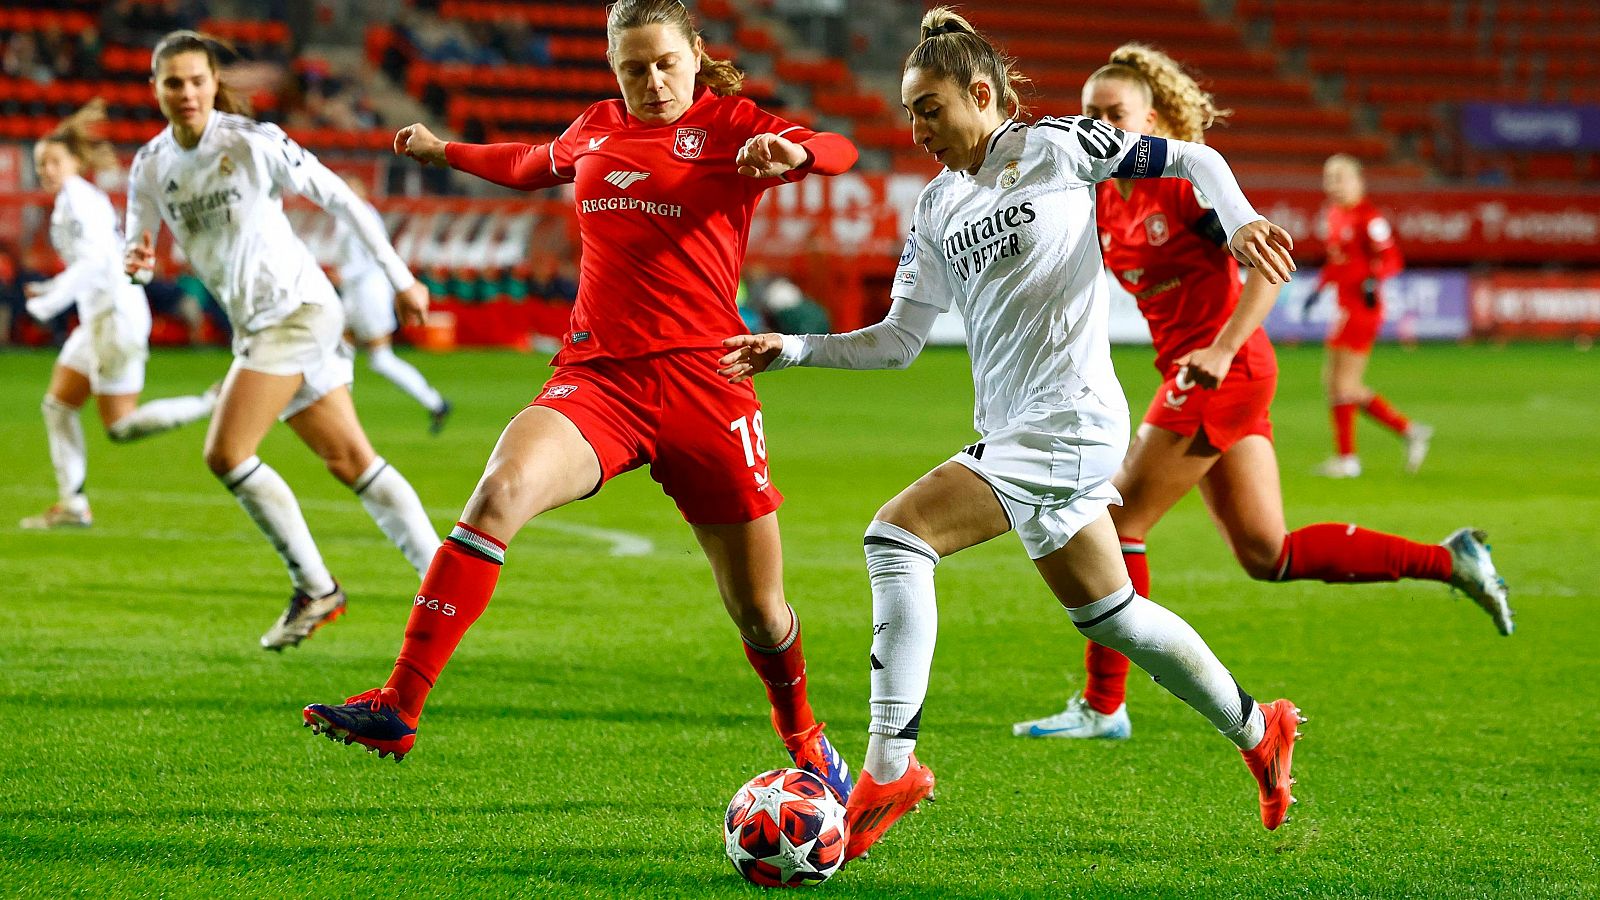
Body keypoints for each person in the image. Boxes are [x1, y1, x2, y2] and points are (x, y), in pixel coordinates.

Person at [719, 8, 1305, 857]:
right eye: (909, 111)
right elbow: (898, 341)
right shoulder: (936, 205)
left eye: (929, 108)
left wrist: (1241, 217)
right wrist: (795, 348)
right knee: (1115, 617)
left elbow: (1194, 156)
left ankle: (889, 768)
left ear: (981, 93)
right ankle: (1261, 729)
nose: (915, 128)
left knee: (896, 537)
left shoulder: (1058, 147)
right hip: (1021, 429)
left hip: (1071, 421)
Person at [300, 0, 861, 807]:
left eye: (666, 61)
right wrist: (440, 149)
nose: (653, 80)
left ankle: (807, 739)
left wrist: (795, 151)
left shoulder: (735, 124)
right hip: (599, 381)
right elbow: (528, 163)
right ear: (613, 68)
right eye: (633, 67)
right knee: (498, 492)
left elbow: (833, 147)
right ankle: (399, 703)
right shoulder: (595, 127)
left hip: (709, 388)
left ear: (697, 54)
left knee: (760, 610)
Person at [1008, 46, 1514, 744]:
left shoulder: (1180, 183)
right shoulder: (1099, 198)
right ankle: (1452, 560)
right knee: (1265, 552)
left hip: (1227, 368)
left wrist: (1218, 349)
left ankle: (1103, 706)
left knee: (1117, 521)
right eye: (1089, 113)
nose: (1099, 125)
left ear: (1147, 121)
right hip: (1201, 375)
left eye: (1114, 113)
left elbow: (1270, 267)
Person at [124, 30, 441, 650]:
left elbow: (343, 200)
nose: (187, 93)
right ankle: (444, 580)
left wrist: (402, 279)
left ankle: (317, 588)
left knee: (226, 452)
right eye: (174, 83)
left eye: (197, 80)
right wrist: (133, 264)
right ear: (156, 89)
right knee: (351, 459)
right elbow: (136, 254)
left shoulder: (252, 143)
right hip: (259, 325)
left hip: (298, 311)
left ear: (215, 83)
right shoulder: (151, 166)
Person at [20, 99, 218, 530]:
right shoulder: (75, 199)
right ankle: (72, 504)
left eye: (54, 160)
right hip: (100, 319)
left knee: (121, 425)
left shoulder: (77, 201)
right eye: (40, 163)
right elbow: (97, 261)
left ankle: (209, 403)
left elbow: (95, 264)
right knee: (57, 405)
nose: (46, 169)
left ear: (75, 161)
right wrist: (52, 288)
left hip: (115, 317)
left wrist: (48, 303)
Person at [1312, 153, 1429, 478]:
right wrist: (1318, 288)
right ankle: (1405, 433)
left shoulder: (1369, 218)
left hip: (1363, 309)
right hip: (1343, 306)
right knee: (1335, 382)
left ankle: (1351, 458)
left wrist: (1372, 279)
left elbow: (1392, 259)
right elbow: (1337, 261)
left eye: (1339, 178)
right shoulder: (1334, 214)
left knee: (1344, 384)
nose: (1332, 185)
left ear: (1358, 181)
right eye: (1328, 178)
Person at [331, 173, 453, 434]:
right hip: (357, 294)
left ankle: (435, 402)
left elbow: (366, 260)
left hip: (367, 293)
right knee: (338, 347)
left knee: (380, 359)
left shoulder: (359, 216)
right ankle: (338, 413)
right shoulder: (354, 214)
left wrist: (340, 275)